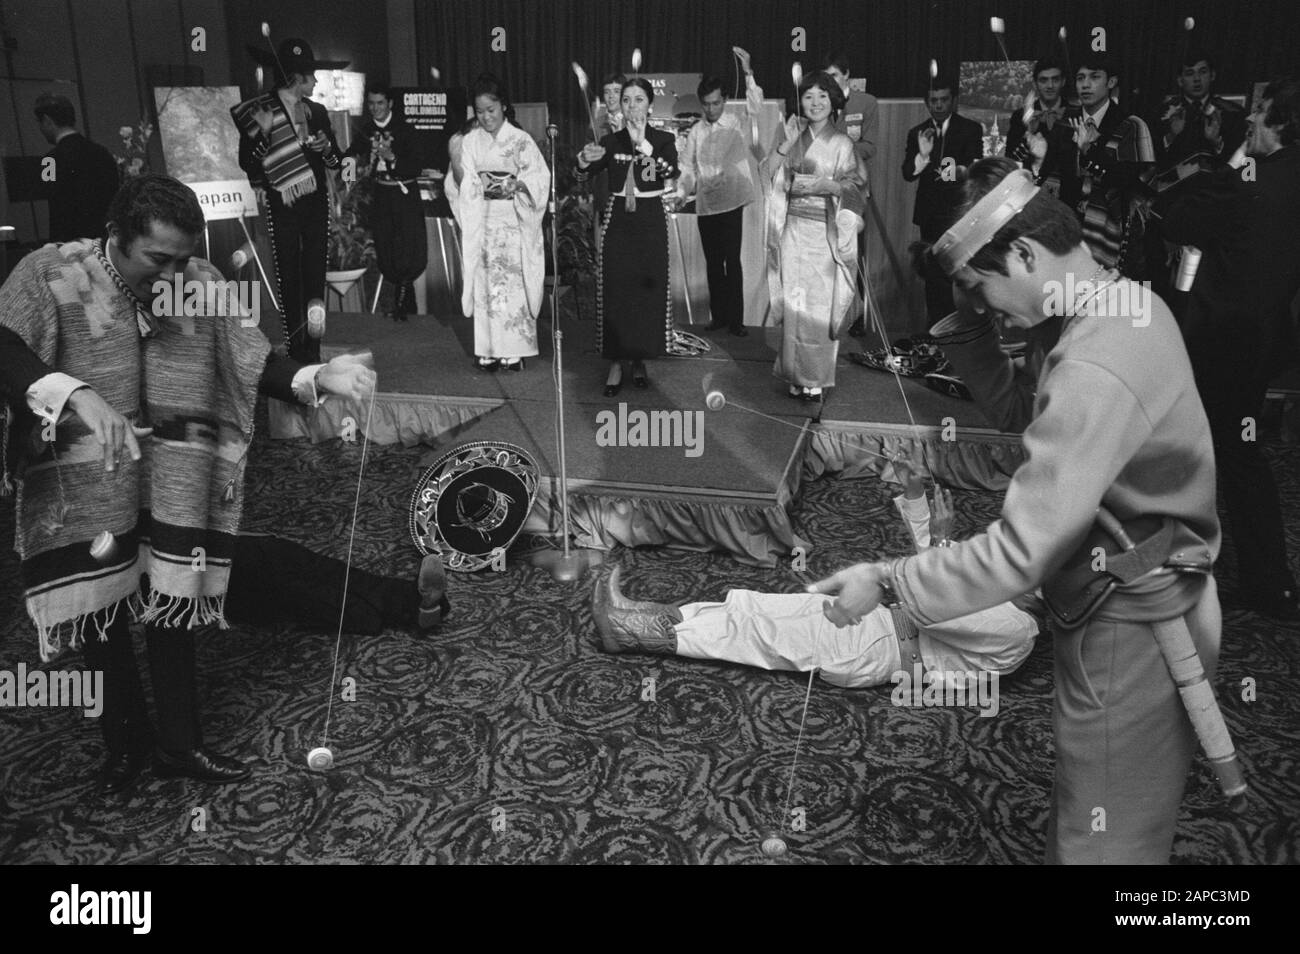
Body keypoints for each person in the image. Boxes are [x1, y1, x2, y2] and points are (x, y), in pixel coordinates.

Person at [805, 157, 1223, 864]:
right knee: (1105, 822)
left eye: (983, 287)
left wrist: (888, 580)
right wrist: (969, 333)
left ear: (1026, 252)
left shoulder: (1096, 357)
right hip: (1124, 600)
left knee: (1103, 846)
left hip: (1135, 622)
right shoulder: (1117, 305)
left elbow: (1022, 548)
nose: (984, 307)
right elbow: (1031, 424)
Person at [0, 174, 375, 794]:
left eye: (182, 257)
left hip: (175, 476)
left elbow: (251, 358)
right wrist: (74, 392)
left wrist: (317, 375)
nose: (171, 273)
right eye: (157, 259)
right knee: (103, 615)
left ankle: (180, 746)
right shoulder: (54, 273)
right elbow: (5, 345)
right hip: (86, 487)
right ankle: (123, 747)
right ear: (115, 236)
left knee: (172, 604)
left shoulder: (199, 285)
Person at [593, 466, 1037, 688]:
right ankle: (646, 614)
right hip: (879, 621)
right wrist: (916, 495)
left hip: (878, 650)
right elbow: (937, 568)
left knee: (756, 633)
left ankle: (631, 634)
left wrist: (940, 546)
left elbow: (937, 605)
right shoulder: (995, 588)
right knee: (752, 605)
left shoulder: (1017, 631)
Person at [1159, 77, 1300, 621]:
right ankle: (1267, 579)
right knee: (1235, 450)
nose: (1251, 125)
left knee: (1215, 454)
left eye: (1260, 118)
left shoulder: (1250, 180)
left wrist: (1230, 159)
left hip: (1222, 340)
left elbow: (1177, 220)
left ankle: (1250, 579)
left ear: (1280, 125)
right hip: (1267, 339)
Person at [741, 56, 864, 402]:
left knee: (818, 309)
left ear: (833, 100)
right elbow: (767, 173)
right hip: (793, 231)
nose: (815, 103)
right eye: (808, 96)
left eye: (822, 96)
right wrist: (786, 143)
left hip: (825, 234)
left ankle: (817, 377)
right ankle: (794, 374)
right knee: (795, 308)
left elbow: (856, 189)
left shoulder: (843, 144)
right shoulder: (792, 134)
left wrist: (828, 187)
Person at [235, 38, 347, 365]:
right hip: (282, 205)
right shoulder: (261, 110)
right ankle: (294, 349)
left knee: (314, 278)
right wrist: (265, 134)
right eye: (311, 76)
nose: (316, 82)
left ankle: (313, 349)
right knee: (288, 277)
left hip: (315, 205)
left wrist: (326, 147)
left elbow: (337, 163)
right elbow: (248, 164)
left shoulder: (318, 111)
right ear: (296, 78)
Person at [575, 78, 679, 397]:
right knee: (618, 291)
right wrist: (582, 161)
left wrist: (642, 144)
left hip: (650, 222)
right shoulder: (611, 141)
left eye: (638, 100)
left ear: (650, 104)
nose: (631, 106)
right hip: (618, 221)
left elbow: (668, 173)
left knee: (646, 292)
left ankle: (640, 358)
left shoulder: (663, 139)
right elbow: (583, 176)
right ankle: (616, 362)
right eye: (626, 100)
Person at [445, 74, 548, 373]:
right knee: (486, 286)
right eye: (480, 111)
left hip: (512, 220)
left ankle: (514, 351)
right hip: (482, 220)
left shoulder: (520, 140)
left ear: (503, 106)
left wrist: (519, 185)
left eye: (491, 109)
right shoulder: (470, 141)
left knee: (512, 285)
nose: (486, 117)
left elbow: (539, 178)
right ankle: (488, 350)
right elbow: (459, 184)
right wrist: (457, 164)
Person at [672, 73, 756, 338]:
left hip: (732, 201)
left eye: (716, 103)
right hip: (707, 204)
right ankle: (718, 316)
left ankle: (736, 321)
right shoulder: (696, 131)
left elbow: (754, 106)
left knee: (732, 261)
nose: (711, 109)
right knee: (713, 262)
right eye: (706, 104)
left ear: (725, 101)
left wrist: (749, 74)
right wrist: (682, 191)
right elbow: (687, 166)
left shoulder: (736, 124)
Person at [901, 76, 984, 323]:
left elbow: (976, 168)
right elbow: (907, 173)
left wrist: (958, 171)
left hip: (960, 213)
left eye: (944, 99)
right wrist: (922, 156)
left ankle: (960, 331)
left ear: (953, 100)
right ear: (927, 102)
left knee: (958, 275)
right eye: (933, 100)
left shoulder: (970, 129)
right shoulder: (917, 132)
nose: (938, 105)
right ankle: (935, 332)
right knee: (932, 275)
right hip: (929, 215)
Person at [1067, 54, 1156, 279]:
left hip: (1115, 234)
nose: (1085, 84)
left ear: (1111, 82)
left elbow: (1131, 183)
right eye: (1080, 78)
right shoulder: (1066, 122)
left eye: (1095, 77)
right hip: (1071, 233)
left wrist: (1091, 151)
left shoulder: (1131, 125)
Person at [346, 83, 428, 322]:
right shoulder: (366, 129)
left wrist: (393, 158)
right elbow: (351, 156)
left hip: (405, 196)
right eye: (371, 103)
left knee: (408, 246)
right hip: (381, 195)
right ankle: (401, 300)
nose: (375, 108)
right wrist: (352, 163)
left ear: (390, 103)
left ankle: (403, 301)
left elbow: (416, 165)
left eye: (380, 103)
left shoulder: (406, 129)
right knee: (385, 244)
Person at [822, 52, 879, 339]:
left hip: (854, 189)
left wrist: (843, 150)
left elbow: (870, 146)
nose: (828, 81)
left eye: (833, 75)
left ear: (846, 75)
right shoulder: (821, 103)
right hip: (825, 190)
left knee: (854, 253)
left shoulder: (865, 103)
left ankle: (859, 314)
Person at [33, 92, 120, 244]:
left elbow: (54, 206)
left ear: (47, 120)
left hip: (71, 245)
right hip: (105, 241)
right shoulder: (103, 152)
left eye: (39, 123)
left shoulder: (49, 161)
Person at [1004, 56, 1080, 208]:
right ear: (1035, 83)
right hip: (1029, 200)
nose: (1050, 85)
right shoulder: (1020, 116)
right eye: (1043, 80)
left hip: (1068, 201)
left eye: (1055, 79)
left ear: (1063, 82)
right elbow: (1011, 161)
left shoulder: (1077, 115)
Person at [1155, 51, 1247, 167]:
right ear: (1180, 80)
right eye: (1189, 73)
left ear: (1212, 75)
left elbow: (1242, 160)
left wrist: (1216, 142)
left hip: (1216, 182)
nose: (1197, 79)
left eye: (1203, 72)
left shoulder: (1232, 113)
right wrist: (1171, 136)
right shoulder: (1162, 113)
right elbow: (1152, 158)